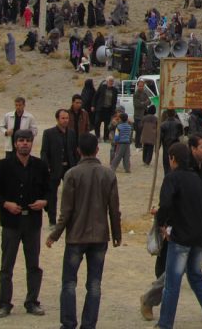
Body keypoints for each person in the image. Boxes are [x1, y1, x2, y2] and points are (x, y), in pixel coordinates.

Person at [140, 132, 202, 324]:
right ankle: (150, 299)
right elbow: (170, 200)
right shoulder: (182, 171)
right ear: (192, 149)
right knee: (178, 272)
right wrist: (165, 224)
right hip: (183, 226)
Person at [46, 132, 121, 329]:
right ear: (97, 149)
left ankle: (68, 324)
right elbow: (114, 210)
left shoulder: (71, 174)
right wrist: (117, 234)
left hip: (76, 237)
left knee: (69, 283)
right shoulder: (108, 174)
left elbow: (66, 212)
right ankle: (89, 325)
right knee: (94, 285)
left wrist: (55, 235)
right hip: (100, 237)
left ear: (78, 151)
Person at [155, 143, 202, 329]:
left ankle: (165, 324)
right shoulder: (196, 178)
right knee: (196, 276)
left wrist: (161, 223)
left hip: (180, 236)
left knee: (172, 283)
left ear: (172, 159)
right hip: (198, 236)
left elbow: (165, 204)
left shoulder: (172, 178)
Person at [0, 129, 50, 318]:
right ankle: (4, 303)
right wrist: (5, 204)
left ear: (32, 143)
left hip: (32, 222)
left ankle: (32, 302)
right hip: (11, 222)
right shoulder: (4, 165)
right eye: (21, 140)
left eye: (28, 140)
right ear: (15, 143)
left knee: (33, 265)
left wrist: (44, 202)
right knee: (7, 265)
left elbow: (49, 190)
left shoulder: (40, 166)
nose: (24, 143)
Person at [40, 109, 78, 226]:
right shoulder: (49, 133)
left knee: (70, 194)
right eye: (63, 118)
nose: (65, 120)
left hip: (69, 168)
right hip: (54, 168)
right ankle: (52, 221)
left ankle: (69, 219)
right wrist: (47, 167)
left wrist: (76, 165)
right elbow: (44, 152)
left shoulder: (72, 133)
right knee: (52, 195)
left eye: (67, 118)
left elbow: (74, 151)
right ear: (57, 119)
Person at [91, 76, 118, 141]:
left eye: (112, 81)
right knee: (97, 122)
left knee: (107, 124)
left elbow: (114, 101)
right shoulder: (102, 87)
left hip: (108, 109)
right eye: (110, 81)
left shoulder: (115, 90)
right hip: (100, 108)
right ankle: (97, 136)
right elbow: (95, 96)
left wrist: (113, 110)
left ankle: (106, 137)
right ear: (107, 81)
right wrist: (93, 105)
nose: (111, 82)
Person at [159, 108, 183, 176]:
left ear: (167, 114)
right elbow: (181, 135)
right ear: (175, 113)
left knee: (166, 164)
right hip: (176, 146)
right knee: (176, 163)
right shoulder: (178, 123)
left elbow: (160, 137)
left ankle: (167, 177)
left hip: (166, 146)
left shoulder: (163, 125)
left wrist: (158, 146)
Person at [133, 80, 151, 149]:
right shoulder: (136, 94)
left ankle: (141, 143)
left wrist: (143, 103)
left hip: (144, 114)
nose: (141, 87)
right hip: (138, 115)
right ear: (137, 86)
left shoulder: (145, 93)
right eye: (140, 86)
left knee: (143, 131)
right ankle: (137, 144)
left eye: (142, 86)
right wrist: (144, 103)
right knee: (138, 131)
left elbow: (149, 101)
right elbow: (137, 105)